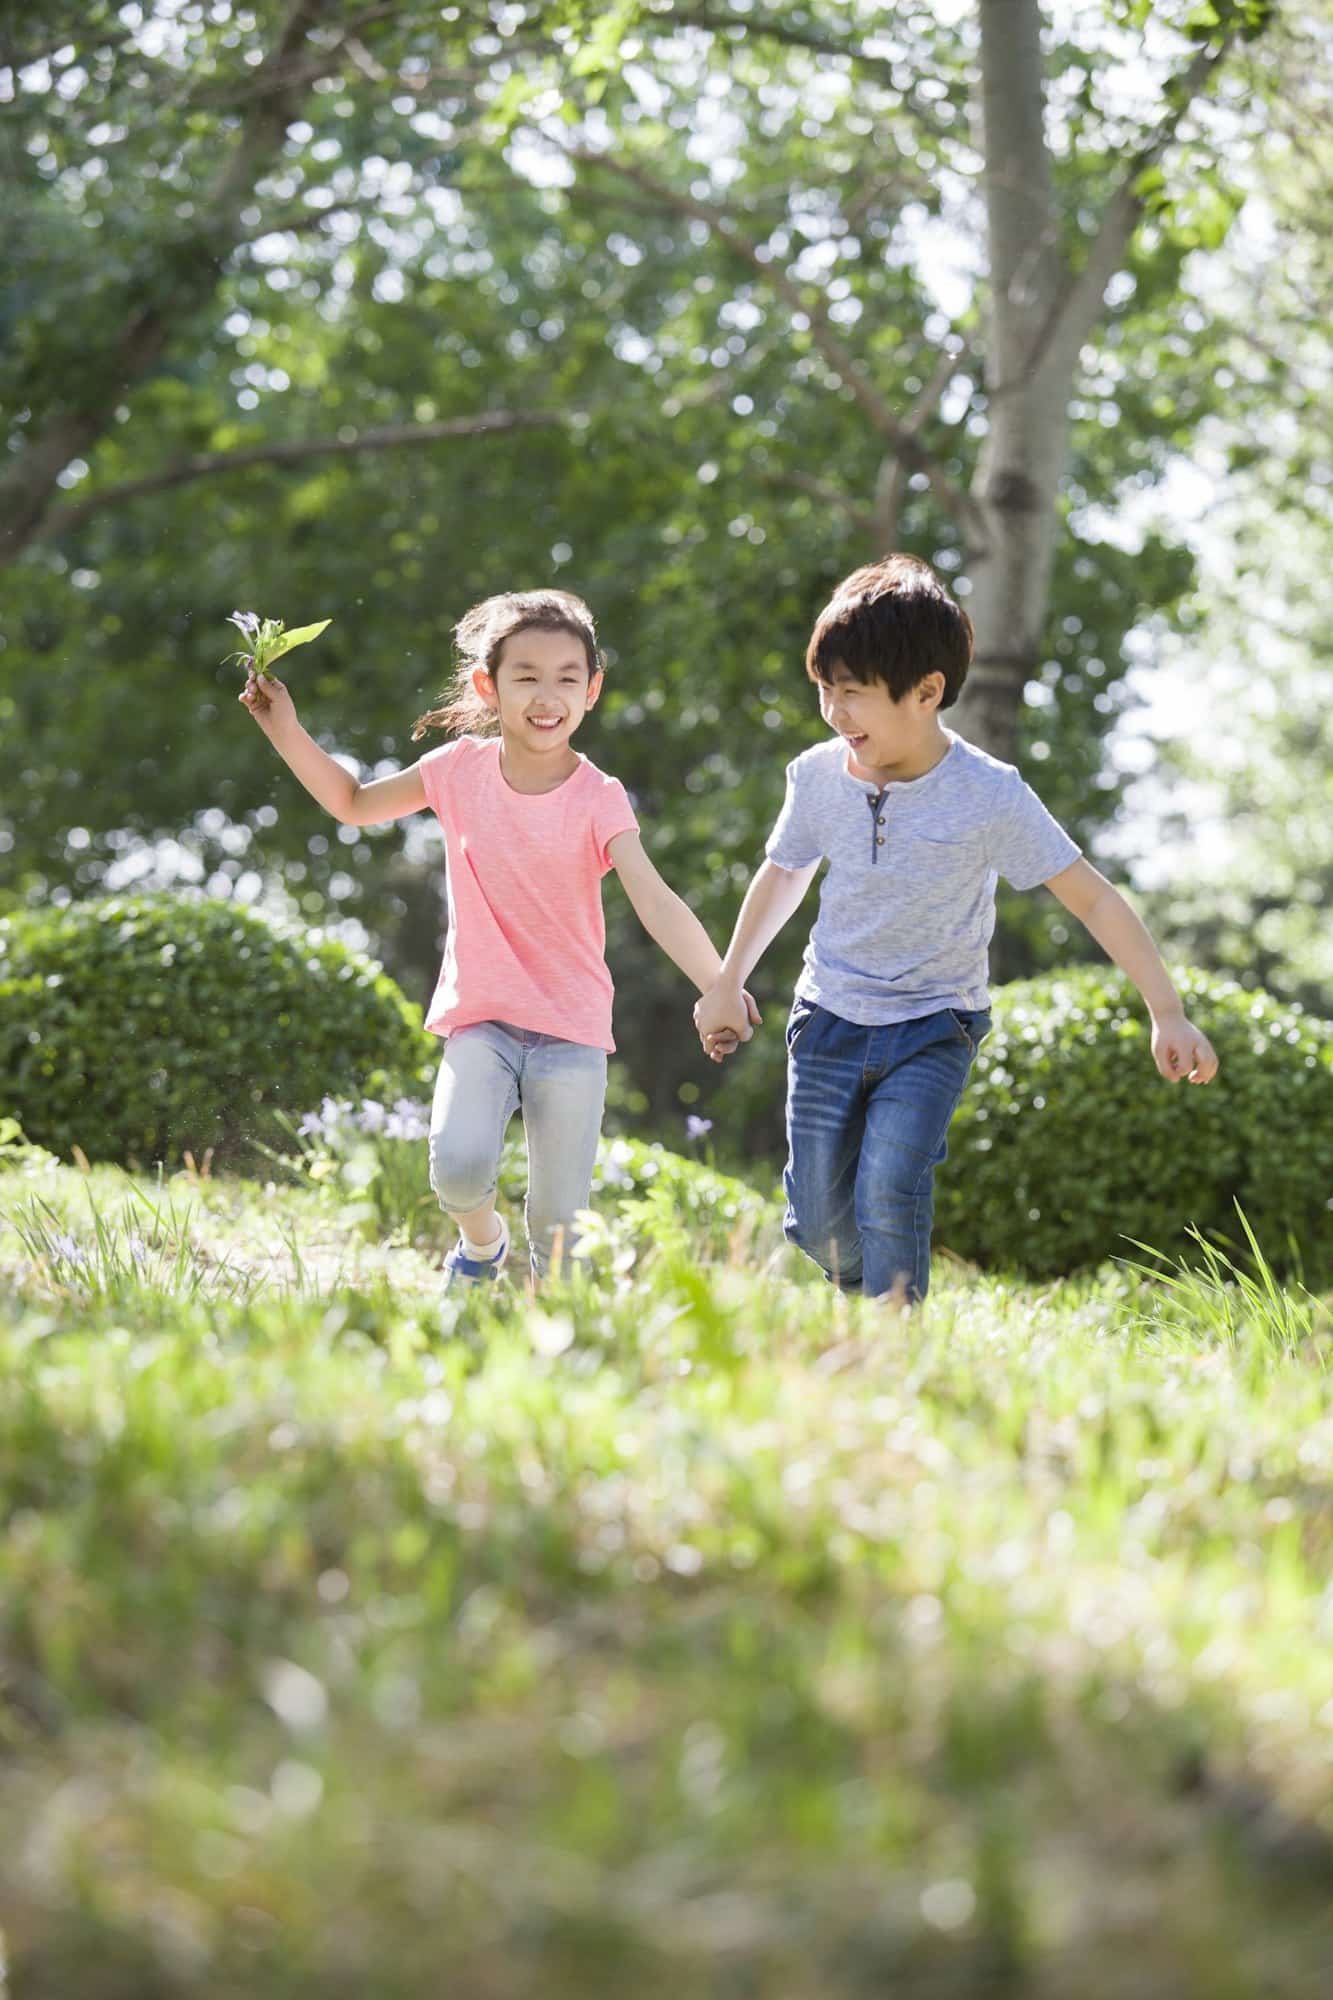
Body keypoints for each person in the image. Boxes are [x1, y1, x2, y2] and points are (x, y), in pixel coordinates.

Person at [693, 553, 1219, 1306]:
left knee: (888, 1186)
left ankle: (892, 1338)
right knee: (815, 1220)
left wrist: (1164, 1009)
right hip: (829, 1018)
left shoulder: (987, 794)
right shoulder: (815, 776)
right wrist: (725, 980)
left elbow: (1093, 898)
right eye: (823, 692)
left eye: (852, 694)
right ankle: (863, 1297)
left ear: (925, 692)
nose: (834, 714)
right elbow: (783, 873)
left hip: (933, 1026)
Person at [242, 587, 755, 1288]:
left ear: (592, 690)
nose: (547, 696)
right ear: (489, 685)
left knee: (559, 1226)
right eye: (526, 677)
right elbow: (354, 804)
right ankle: (481, 1248)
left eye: (567, 678)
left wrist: (719, 985)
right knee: (455, 1171)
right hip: (481, 1018)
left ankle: (562, 1348)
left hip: (571, 1030)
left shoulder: (596, 794)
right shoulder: (458, 771)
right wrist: (286, 731)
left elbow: (653, 897)